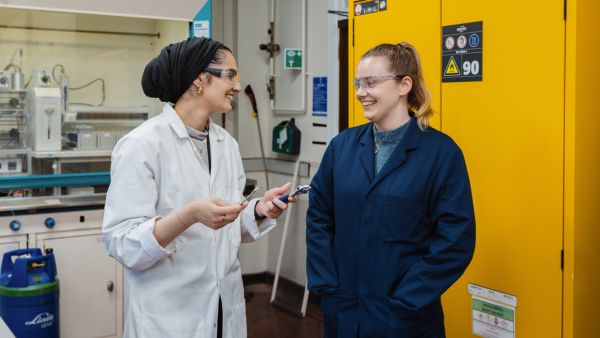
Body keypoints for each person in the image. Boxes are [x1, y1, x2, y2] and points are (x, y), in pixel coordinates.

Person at [102, 37, 294, 338]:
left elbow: (223, 230)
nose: (237, 85)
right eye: (230, 75)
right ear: (199, 80)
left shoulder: (226, 145)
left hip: (222, 309)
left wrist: (258, 210)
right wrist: (188, 216)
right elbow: (122, 243)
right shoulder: (142, 145)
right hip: (169, 317)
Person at [306, 42, 476, 337]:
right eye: (358, 83)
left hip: (405, 319)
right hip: (345, 312)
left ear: (404, 85)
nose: (360, 92)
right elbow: (319, 216)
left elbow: (455, 240)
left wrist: (407, 299)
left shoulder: (441, 154)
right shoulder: (341, 148)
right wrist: (326, 284)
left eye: (371, 83)